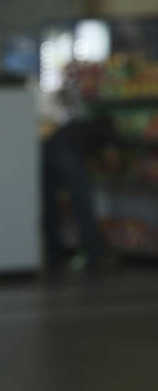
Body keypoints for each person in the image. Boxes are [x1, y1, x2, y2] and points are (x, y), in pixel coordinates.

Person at [41, 114, 117, 272]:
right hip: (66, 155)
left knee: (49, 207)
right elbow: (111, 160)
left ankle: (53, 254)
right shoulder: (103, 132)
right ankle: (94, 253)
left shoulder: (78, 124)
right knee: (83, 205)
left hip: (46, 152)